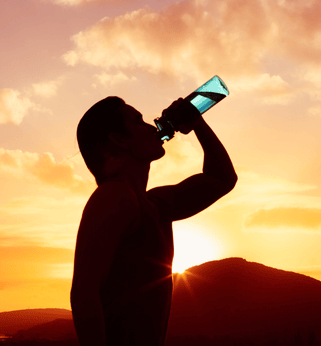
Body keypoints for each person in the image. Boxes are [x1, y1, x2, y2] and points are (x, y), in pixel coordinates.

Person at [70, 96, 237, 346]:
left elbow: (221, 178)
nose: (151, 126)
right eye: (139, 122)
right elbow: (85, 293)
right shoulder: (114, 196)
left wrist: (197, 123)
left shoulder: (154, 205)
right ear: (118, 139)